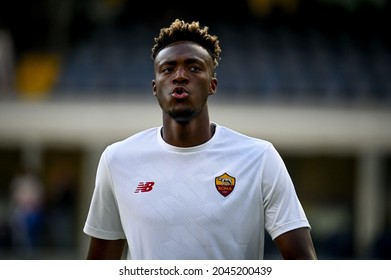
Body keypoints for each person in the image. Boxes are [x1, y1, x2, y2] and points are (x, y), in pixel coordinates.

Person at [83, 19, 317, 260]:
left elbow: (303, 262)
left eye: (194, 68)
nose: (180, 76)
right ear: (155, 87)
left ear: (212, 85)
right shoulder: (117, 160)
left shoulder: (259, 157)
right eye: (168, 69)